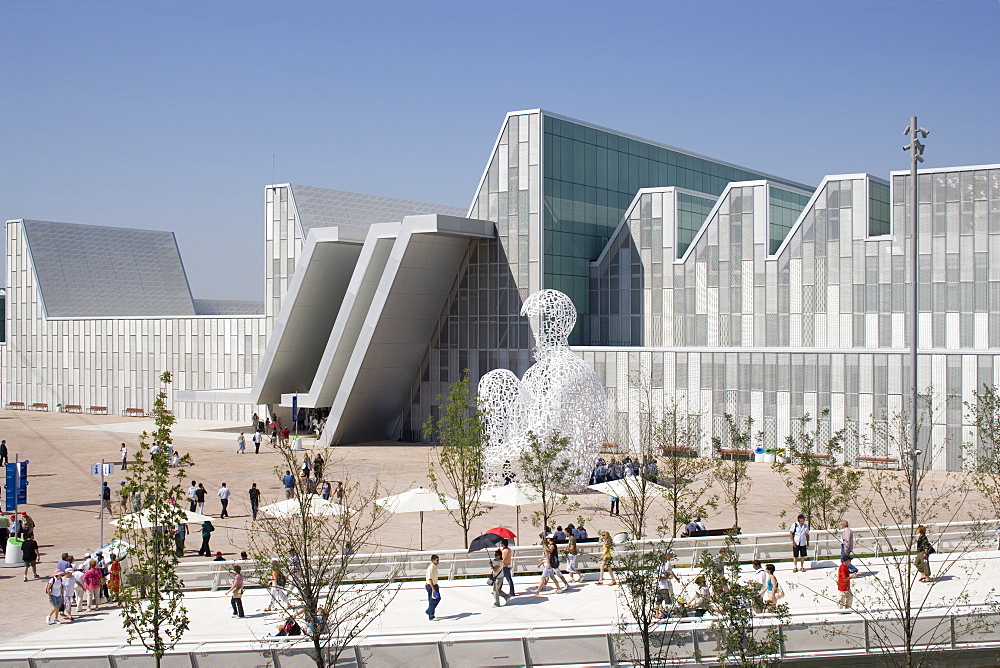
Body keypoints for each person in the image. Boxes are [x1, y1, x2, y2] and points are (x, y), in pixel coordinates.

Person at [655, 551, 680, 617]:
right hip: (663, 586)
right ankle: (667, 613)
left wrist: (672, 577)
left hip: (661, 585)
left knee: (659, 600)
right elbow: (660, 577)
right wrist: (668, 577)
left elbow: (669, 572)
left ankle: (657, 613)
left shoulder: (662, 565)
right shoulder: (662, 566)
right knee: (667, 600)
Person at [425, 554, 441, 621]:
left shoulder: (435, 567)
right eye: (436, 560)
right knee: (432, 601)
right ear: (433, 560)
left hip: (434, 585)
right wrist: (433, 588)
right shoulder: (431, 568)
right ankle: (431, 616)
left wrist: (436, 585)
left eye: (438, 560)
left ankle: (429, 611)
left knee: (438, 598)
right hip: (430, 586)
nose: (438, 561)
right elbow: (430, 579)